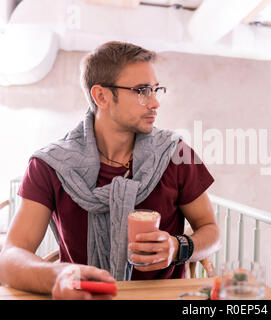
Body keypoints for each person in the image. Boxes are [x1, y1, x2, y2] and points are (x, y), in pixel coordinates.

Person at [0, 41, 220, 299]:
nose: (154, 103)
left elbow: (211, 230)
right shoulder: (49, 165)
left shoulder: (176, 155)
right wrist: (58, 275)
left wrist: (178, 246)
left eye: (155, 90)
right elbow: (10, 256)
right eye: (142, 91)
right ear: (101, 96)